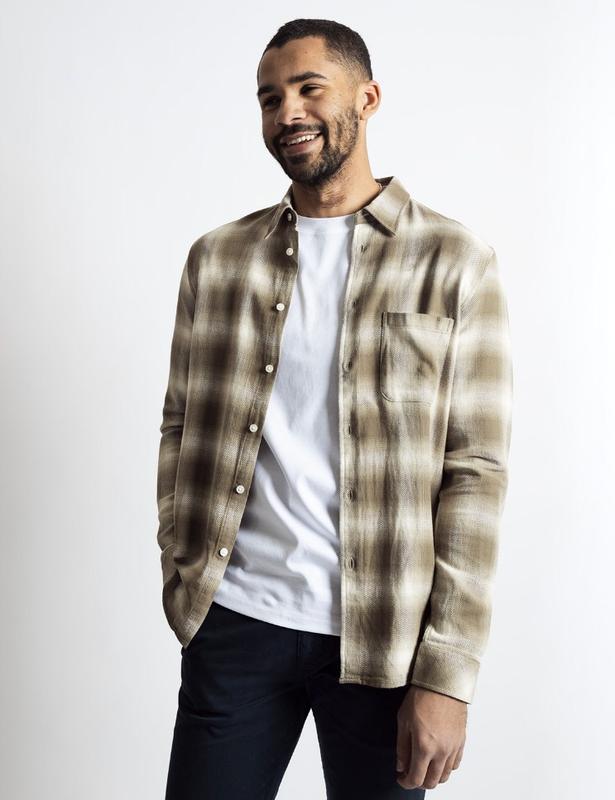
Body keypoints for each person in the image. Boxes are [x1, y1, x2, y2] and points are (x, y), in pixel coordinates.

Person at [157, 17, 513, 800]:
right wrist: (184, 570)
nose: (287, 111)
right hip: (237, 621)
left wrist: (447, 676)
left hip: (385, 641)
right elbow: (181, 423)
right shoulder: (217, 260)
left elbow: (475, 473)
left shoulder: (454, 262)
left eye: (308, 88)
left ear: (366, 98)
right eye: (269, 98)